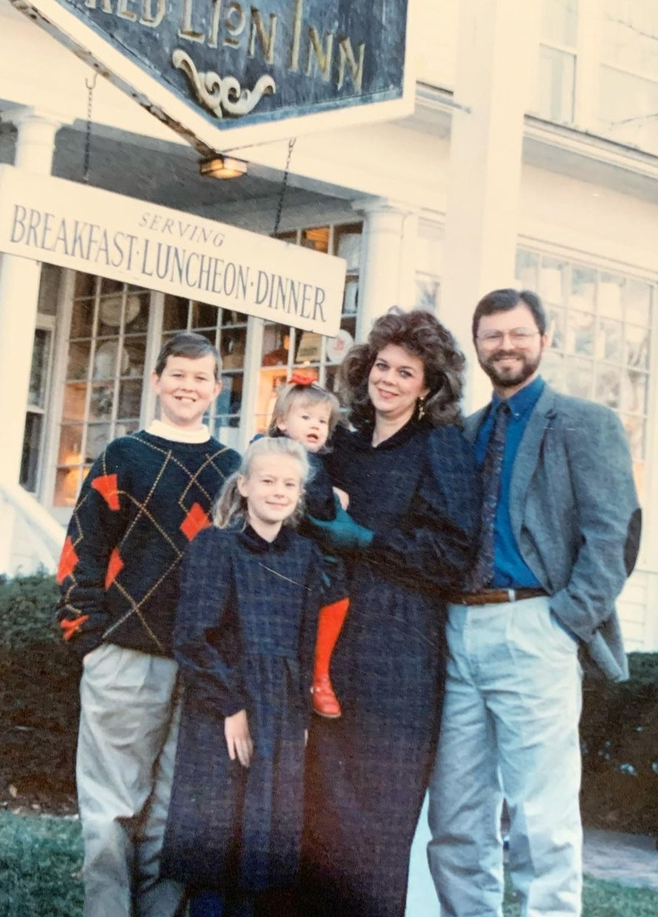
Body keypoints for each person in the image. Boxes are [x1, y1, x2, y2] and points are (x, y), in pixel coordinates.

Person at [427, 288, 642, 917]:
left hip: (534, 625)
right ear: (478, 345)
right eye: (493, 336)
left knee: (539, 820)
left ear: (543, 340)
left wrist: (565, 621)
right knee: (456, 820)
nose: (506, 346)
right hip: (460, 629)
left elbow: (615, 534)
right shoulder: (464, 433)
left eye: (518, 334)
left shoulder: (584, 423)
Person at [301, 308, 479, 917]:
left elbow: (453, 552)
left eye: (407, 372)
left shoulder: (441, 447)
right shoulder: (342, 443)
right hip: (329, 641)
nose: (390, 380)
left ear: (428, 387)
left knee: (375, 816)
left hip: (398, 649)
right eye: (383, 365)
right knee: (317, 807)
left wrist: (368, 541)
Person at [56, 331, 241, 917]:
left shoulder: (233, 469)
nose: (188, 386)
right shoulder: (122, 457)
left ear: (216, 389)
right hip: (126, 655)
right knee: (111, 803)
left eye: (200, 378)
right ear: (157, 381)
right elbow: (82, 550)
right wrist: (88, 639)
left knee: (173, 806)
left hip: (202, 662)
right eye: (177, 374)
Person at [159, 437, 346, 917]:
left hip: (281, 710)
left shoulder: (304, 555)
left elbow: (306, 644)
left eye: (289, 484)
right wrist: (231, 708)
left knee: (262, 845)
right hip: (226, 706)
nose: (278, 491)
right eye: (267, 480)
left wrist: (300, 716)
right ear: (244, 486)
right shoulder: (216, 546)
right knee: (217, 840)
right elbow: (192, 638)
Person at [268, 376, 350, 718]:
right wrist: (334, 501)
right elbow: (318, 507)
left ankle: (313, 677)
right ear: (282, 422)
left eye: (322, 421)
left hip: (290, 551)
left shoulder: (313, 460)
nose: (316, 426)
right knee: (337, 594)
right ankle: (318, 676)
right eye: (307, 418)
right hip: (290, 552)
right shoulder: (296, 459)